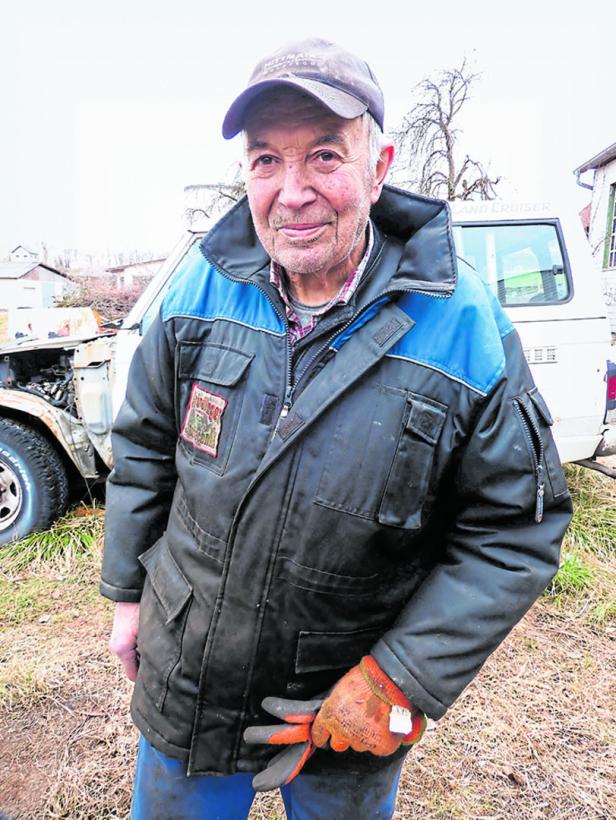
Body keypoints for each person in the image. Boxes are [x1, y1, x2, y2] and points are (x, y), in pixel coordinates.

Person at [101, 38, 572, 819]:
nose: (292, 192)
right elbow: (146, 444)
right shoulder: (198, 282)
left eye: (324, 155)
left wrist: (399, 681)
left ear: (379, 164)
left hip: (341, 704)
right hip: (190, 673)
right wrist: (126, 593)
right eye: (264, 161)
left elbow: (515, 530)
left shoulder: (463, 323)